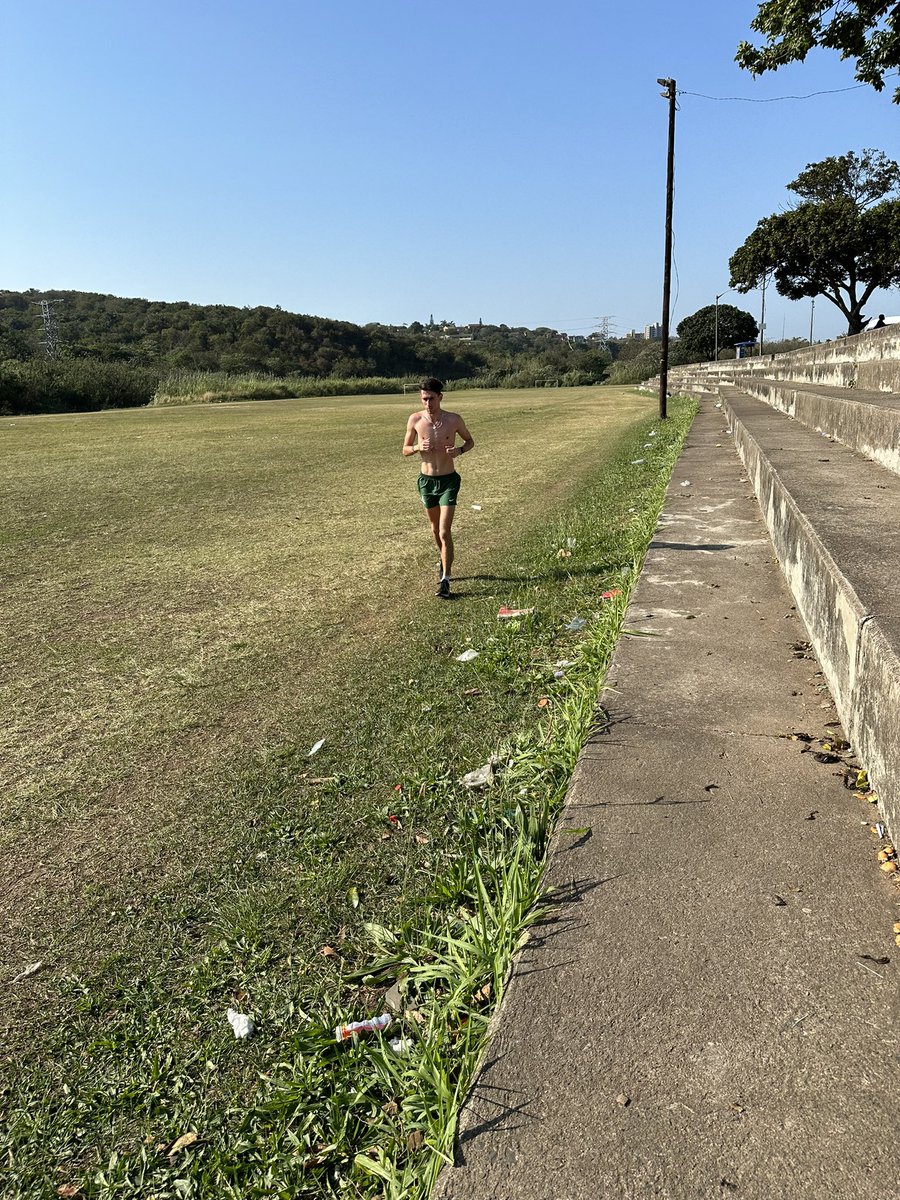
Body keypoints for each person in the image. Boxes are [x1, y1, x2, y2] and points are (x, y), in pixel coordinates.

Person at [402, 377, 475, 598]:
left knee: (444, 530)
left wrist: (459, 451)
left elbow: (470, 441)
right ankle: (443, 560)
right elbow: (404, 449)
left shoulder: (453, 420)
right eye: (424, 399)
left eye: (431, 398)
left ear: (440, 397)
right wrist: (416, 447)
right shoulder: (415, 420)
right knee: (435, 530)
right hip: (426, 482)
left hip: (448, 481)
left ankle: (446, 579)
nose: (428, 403)